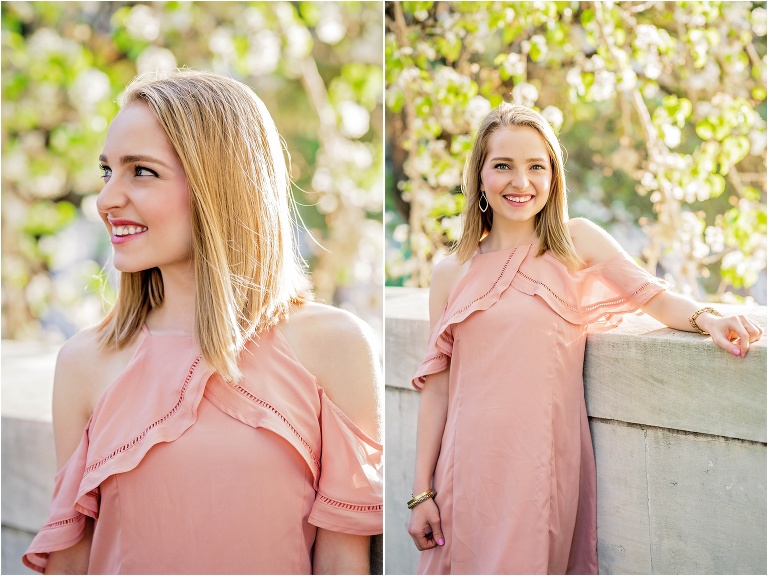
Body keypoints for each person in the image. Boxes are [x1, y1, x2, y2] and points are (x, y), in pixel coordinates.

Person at [23, 70, 383, 575]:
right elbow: (70, 564)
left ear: (220, 185)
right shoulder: (85, 362)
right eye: (107, 171)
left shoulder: (333, 346)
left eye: (141, 171)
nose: (106, 199)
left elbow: (344, 563)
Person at [406, 103, 762, 574]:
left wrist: (708, 318)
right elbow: (438, 387)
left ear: (553, 176)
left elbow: (655, 298)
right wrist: (421, 494)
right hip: (463, 474)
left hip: (540, 469)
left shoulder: (575, 244)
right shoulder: (450, 273)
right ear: (479, 177)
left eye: (537, 166)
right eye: (503, 166)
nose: (521, 182)